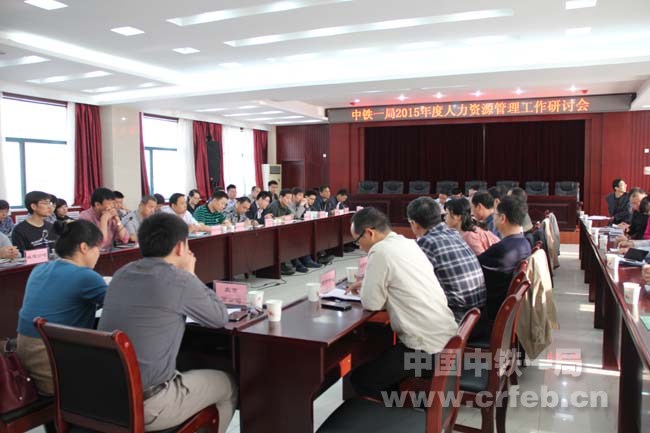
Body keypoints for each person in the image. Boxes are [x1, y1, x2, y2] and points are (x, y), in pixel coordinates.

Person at [98, 213, 236, 433]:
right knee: (228, 383)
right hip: (148, 404)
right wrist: (191, 274)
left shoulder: (122, 273)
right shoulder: (180, 280)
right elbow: (219, 316)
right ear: (180, 247)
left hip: (103, 397)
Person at [346, 207, 457, 400]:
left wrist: (368, 287)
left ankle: (391, 415)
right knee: (383, 362)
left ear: (370, 233)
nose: (360, 247)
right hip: (447, 341)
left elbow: (372, 303)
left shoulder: (380, 250)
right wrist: (368, 283)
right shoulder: (407, 243)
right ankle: (394, 406)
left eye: (357, 241)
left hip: (425, 354)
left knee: (361, 379)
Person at [16, 219, 107, 395]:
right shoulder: (86, 276)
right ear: (84, 247)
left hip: (25, 363)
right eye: (98, 248)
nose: (99, 254)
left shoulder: (40, 269)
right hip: (53, 367)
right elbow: (119, 305)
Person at [407, 197, 487, 323]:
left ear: (414, 224)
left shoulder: (426, 243)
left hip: (459, 316)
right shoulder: (453, 234)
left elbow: (411, 282)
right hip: (478, 312)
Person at [478, 196, 532, 322]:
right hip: (507, 311)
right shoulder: (524, 243)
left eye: (495, 215)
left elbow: (472, 266)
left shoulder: (501, 249)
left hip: (489, 315)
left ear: (502, 218)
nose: (493, 218)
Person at [264, 189, 298, 274]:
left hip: (281, 230)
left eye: (290, 198)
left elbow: (294, 215)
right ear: (281, 197)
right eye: (287, 198)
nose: (289, 201)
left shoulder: (286, 205)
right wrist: (283, 218)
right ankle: (282, 265)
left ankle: (292, 262)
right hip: (270, 233)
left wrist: (284, 217)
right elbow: (271, 220)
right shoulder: (274, 205)